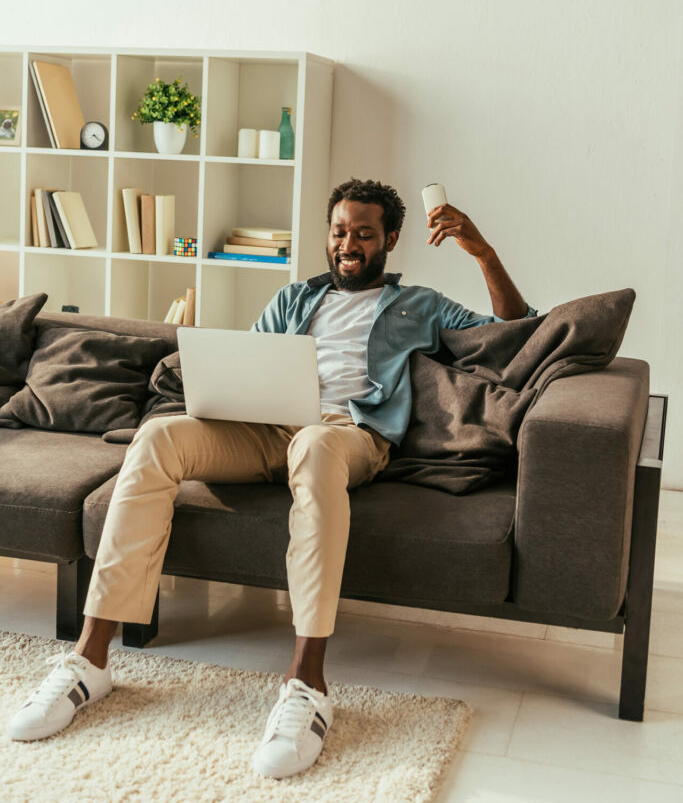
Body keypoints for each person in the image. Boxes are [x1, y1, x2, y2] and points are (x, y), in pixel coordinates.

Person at [6, 177, 535, 778]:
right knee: (158, 437)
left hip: (348, 434)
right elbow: (247, 367)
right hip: (269, 425)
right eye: (339, 232)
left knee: (313, 447)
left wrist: (483, 252)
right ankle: (90, 661)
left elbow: (513, 333)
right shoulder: (294, 298)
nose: (348, 244)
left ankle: (307, 684)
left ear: (390, 240)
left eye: (364, 234)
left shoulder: (421, 304)